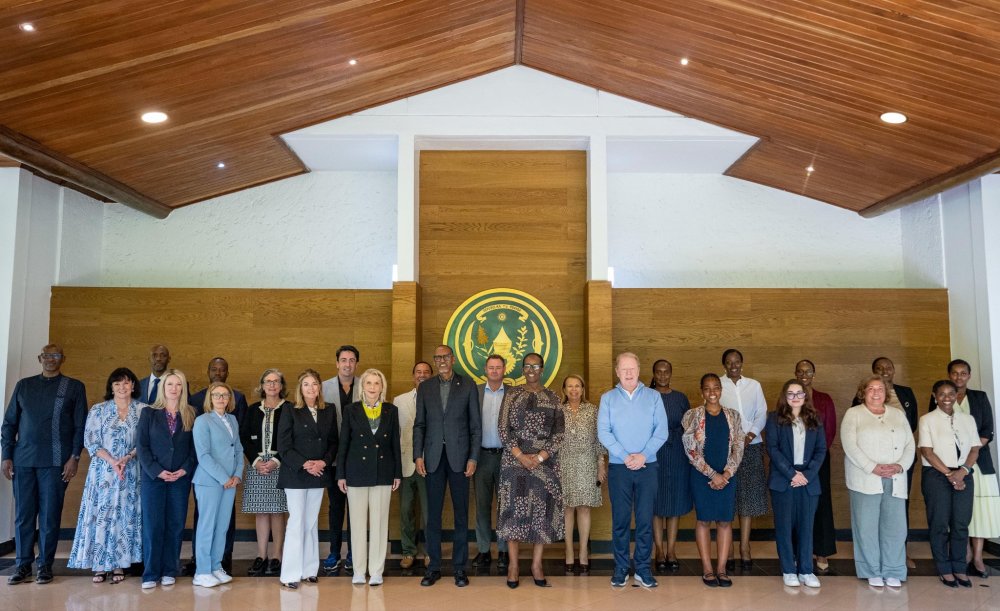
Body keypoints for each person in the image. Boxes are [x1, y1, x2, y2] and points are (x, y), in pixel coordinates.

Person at [2, 344, 87, 585]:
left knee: (50, 516)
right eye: (46, 355)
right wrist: (6, 455)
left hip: (56, 463)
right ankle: (22, 565)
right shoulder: (24, 386)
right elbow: (9, 423)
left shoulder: (73, 387)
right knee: (24, 516)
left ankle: (45, 566)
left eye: (55, 355)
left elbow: (80, 426)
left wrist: (74, 457)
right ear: (40, 358)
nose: (50, 359)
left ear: (63, 359)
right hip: (23, 461)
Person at [597, 352, 668, 589]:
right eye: (624, 369)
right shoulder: (608, 398)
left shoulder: (654, 397)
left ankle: (643, 569)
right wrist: (625, 456)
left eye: (632, 368)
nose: (628, 373)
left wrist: (643, 455)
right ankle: (620, 568)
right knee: (620, 520)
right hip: (620, 467)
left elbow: (661, 431)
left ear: (639, 370)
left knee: (645, 520)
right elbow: (603, 432)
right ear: (617, 372)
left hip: (648, 466)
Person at [413, 344, 481, 588]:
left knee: (461, 515)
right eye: (437, 357)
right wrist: (417, 455)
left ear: (453, 359)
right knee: (432, 515)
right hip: (432, 458)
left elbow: (475, 426)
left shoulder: (468, 385)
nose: (441, 361)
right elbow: (419, 424)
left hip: (460, 458)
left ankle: (460, 568)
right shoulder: (426, 387)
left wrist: (473, 458)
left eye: (445, 357)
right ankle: (433, 567)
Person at [67, 367, 144, 584]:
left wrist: (127, 457)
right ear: (111, 387)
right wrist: (112, 461)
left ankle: (119, 564)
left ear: (133, 386)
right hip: (103, 474)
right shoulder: (98, 410)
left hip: (130, 472)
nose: (122, 387)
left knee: (124, 517)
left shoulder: (143, 410)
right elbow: (90, 441)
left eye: (126, 382)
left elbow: (145, 441)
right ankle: (100, 566)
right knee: (102, 515)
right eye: (117, 383)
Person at [496, 353, 565, 588]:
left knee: (541, 514)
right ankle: (513, 566)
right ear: (522, 369)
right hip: (514, 463)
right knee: (513, 513)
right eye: (527, 366)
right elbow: (503, 429)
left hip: (544, 465)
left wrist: (540, 457)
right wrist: (520, 456)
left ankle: (536, 565)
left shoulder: (553, 397)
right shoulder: (512, 394)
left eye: (535, 366)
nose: (531, 370)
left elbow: (559, 433)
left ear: (542, 369)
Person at [842, 375, 915, 589]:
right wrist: (872, 467)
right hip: (866, 478)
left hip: (895, 478)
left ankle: (893, 570)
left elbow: (910, 444)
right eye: (871, 389)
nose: (876, 392)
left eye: (880, 389)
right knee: (866, 527)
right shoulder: (853, 414)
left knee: (895, 527)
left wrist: (900, 466)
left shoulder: (898, 414)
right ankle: (871, 570)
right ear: (863, 392)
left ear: (886, 392)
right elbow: (849, 445)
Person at [930, 359, 1000, 579]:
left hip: (977, 461)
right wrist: (956, 465)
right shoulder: (940, 396)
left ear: (969, 375)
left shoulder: (979, 397)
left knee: (980, 510)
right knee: (957, 511)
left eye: (963, 373)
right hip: (949, 465)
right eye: (954, 373)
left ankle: (977, 557)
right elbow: (934, 431)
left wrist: (969, 456)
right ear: (948, 374)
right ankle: (964, 554)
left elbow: (988, 430)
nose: (958, 377)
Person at [337, 368, 402, 586]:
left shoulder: (391, 410)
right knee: (356, 523)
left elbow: (395, 443)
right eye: (369, 383)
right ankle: (358, 570)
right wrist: (341, 474)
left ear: (382, 387)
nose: (373, 387)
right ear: (362, 387)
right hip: (356, 472)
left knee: (379, 523)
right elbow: (344, 443)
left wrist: (397, 473)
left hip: (383, 471)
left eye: (377, 383)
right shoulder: (351, 410)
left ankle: (376, 570)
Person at [277, 369, 339, 589]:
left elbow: (334, 442)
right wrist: (305, 464)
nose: (311, 388)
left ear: (320, 387)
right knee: (296, 522)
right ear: (300, 388)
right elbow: (283, 445)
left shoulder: (328, 410)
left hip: (319, 473)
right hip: (296, 474)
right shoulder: (289, 410)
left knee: (311, 522)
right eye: (306, 384)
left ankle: (309, 570)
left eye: (314, 384)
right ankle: (290, 574)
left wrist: (323, 462)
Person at [186, 356, 249, 574]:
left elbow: (238, 449)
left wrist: (237, 475)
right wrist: (225, 478)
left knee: (222, 527)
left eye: (224, 395)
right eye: (216, 395)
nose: (221, 398)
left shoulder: (232, 420)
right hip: (210, 481)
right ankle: (203, 571)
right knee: (207, 526)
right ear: (209, 398)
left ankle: (216, 566)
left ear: (229, 398)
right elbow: (203, 455)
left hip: (230, 482)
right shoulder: (202, 420)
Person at [136, 369, 197, 589]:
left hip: (179, 479)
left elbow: (195, 449)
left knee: (175, 524)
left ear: (183, 388)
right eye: (169, 384)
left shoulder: (191, 414)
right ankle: (151, 573)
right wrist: (157, 471)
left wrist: (184, 470)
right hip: (154, 479)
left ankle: (170, 569)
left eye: (178, 384)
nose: (174, 388)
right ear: (162, 387)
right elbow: (141, 447)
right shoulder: (149, 413)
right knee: (153, 526)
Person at [682, 373, 744, 588]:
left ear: (721, 389)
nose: (712, 392)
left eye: (716, 387)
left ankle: (722, 570)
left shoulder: (733, 416)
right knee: (704, 521)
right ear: (702, 392)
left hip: (727, 477)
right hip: (702, 476)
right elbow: (690, 450)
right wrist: (712, 474)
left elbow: (739, 446)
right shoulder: (692, 415)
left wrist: (726, 474)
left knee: (725, 521)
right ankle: (708, 569)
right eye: (707, 388)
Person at [764, 379, 827, 588]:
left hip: (808, 481)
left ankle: (806, 570)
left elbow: (821, 450)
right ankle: (789, 569)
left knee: (806, 527)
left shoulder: (815, 419)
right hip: (784, 480)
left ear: (805, 396)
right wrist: (792, 474)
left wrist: (806, 474)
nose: (795, 397)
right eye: (790, 393)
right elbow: (773, 449)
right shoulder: (774, 419)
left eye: (799, 393)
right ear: (785, 396)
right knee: (784, 527)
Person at [919, 379, 980, 588]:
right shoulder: (927, 419)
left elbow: (975, 449)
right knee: (939, 524)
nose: (947, 398)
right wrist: (949, 474)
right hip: (936, 475)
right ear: (934, 396)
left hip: (964, 473)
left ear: (957, 395)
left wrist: (962, 472)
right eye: (942, 394)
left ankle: (959, 567)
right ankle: (944, 569)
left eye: (951, 394)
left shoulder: (968, 419)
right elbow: (927, 452)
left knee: (961, 524)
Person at [868, 356, 919, 569]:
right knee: (875, 505)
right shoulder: (866, 394)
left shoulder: (905, 393)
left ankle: (900, 552)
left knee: (899, 505)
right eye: (879, 368)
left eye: (888, 367)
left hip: (901, 460)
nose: (884, 371)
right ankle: (876, 552)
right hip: (873, 462)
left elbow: (912, 424)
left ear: (894, 370)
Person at [719, 348, 768, 570]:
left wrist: (750, 436)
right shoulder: (719, 385)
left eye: (737, 361)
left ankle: (745, 547)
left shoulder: (754, 386)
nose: (733, 365)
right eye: (729, 362)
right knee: (728, 497)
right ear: (724, 365)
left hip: (751, 446)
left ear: (742, 363)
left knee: (748, 497)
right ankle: (728, 548)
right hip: (727, 449)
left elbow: (762, 412)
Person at [240, 368, 289, 577]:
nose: (272, 385)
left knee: (277, 511)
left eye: (276, 381)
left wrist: (276, 461)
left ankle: (277, 556)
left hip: (280, 465)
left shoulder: (289, 409)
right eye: (268, 381)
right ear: (262, 385)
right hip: (257, 466)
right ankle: (261, 556)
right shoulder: (253, 410)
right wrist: (256, 461)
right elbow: (244, 437)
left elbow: (291, 438)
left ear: (281, 386)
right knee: (261, 511)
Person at [559, 374, 605, 575]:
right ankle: (569, 552)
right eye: (570, 386)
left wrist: (601, 465)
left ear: (583, 389)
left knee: (584, 508)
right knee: (567, 508)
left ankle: (584, 552)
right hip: (564, 463)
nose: (574, 390)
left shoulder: (593, 410)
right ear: (564, 390)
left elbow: (599, 439)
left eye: (577, 386)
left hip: (587, 463)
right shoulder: (558, 410)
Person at [794, 359, 838, 573]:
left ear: (814, 374)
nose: (804, 375)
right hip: (794, 462)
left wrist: (815, 459)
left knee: (821, 504)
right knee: (797, 506)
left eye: (808, 371)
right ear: (795, 374)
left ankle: (821, 551)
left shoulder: (824, 399)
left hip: (819, 461)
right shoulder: (790, 398)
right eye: (800, 371)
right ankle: (798, 551)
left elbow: (830, 430)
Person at [322, 345, 361, 575]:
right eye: (344, 360)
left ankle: (354, 553)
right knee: (335, 508)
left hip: (358, 459)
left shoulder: (365, 385)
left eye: (352, 360)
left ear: (356, 364)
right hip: (332, 458)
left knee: (356, 509)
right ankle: (334, 552)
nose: (347, 364)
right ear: (337, 363)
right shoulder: (323, 387)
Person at [649, 359, 691, 572]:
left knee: (674, 504)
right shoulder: (647, 396)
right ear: (653, 374)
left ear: (671, 373)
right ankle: (658, 550)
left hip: (677, 455)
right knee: (656, 504)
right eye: (659, 372)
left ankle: (671, 550)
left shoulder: (680, 398)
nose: (663, 375)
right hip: (654, 454)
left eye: (666, 372)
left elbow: (690, 427)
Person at [393, 361, 432, 571]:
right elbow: (395, 435)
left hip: (429, 464)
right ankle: (408, 551)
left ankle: (430, 552)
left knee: (429, 512)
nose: (422, 375)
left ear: (431, 376)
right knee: (406, 510)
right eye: (418, 372)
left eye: (426, 372)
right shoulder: (399, 401)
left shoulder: (437, 400)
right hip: (405, 463)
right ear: (413, 375)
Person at [474, 354, 511, 571]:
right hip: (482, 457)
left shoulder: (513, 393)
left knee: (505, 507)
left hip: (507, 458)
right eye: (491, 367)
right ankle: (484, 550)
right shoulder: (476, 392)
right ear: (485, 370)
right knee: (482, 506)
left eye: (498, 367)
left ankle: (504, 551)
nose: (495, 371)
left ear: (504, 369)